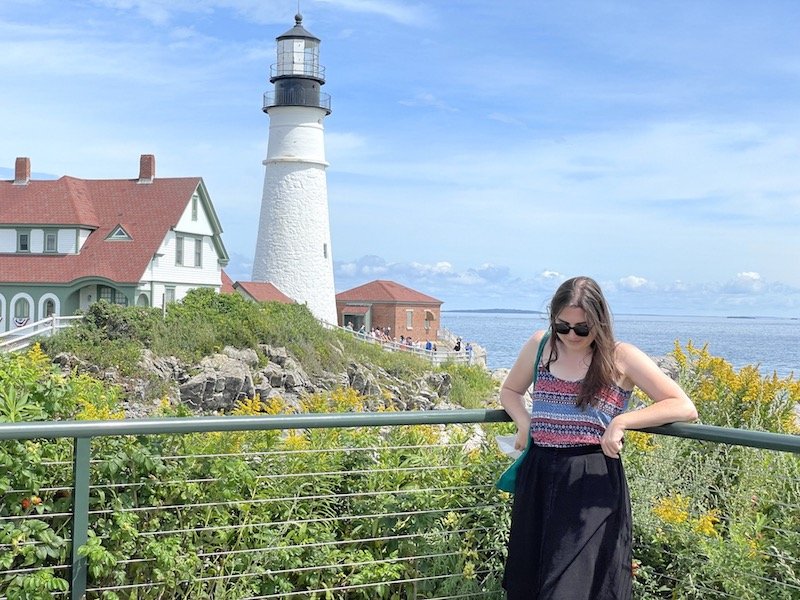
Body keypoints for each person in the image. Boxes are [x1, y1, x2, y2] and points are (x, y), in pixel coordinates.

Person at [500, 276, 697, 600]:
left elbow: (684, 406)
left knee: (575, 587)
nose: (571, 335)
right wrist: (524, 421)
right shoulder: (541, 345)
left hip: (590, 480)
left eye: (582, 328)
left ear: (600, 322)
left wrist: (623, 421)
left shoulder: (622, 356)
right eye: (563, 326)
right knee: (528, 584)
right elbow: (510, 390)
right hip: (537, 476)